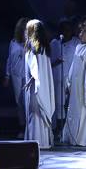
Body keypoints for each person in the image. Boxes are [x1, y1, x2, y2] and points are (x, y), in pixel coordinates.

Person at [24, 19, 55, 149]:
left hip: (35, 86)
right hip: (42, 85)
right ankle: (43, 141)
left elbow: (34, 66)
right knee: (39, 114)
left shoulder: (34, 46)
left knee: (35, 113)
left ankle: (35, 142)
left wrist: (32, 78)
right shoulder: (44, 47)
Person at [50, 18, 79, 128]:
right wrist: (56, 62)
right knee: (59, 104)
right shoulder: (54, 43)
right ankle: (60, 128)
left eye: (68, 30)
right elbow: (48, 63)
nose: (66, 32)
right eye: (64, 30)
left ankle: (73, 127)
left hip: (72, 78)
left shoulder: (76, 42)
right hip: (58, 78)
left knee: (72, 104)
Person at [4, 17, 29, 129]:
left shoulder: (30, 43)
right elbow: (9, 59)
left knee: (26, 100)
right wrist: (7, 75)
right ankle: (22, 126)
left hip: (27, 74)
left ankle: (29, 126)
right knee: (18, 101)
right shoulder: (13, 42)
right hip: (16, 74)